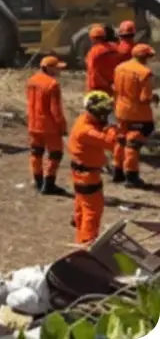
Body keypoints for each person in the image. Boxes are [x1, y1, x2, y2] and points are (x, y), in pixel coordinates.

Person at [69, 90, 119, 245]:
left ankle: (80, 233)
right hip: (87, 176)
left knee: (81, 206)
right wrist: (112, 125)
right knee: (92, 211)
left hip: (82, 171)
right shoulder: (87, 131)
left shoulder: (84, 120)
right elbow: (111, 143)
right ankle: (87, 243)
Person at [112, 43, 158, 187]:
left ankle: (117, 171)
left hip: (120, 110)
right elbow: (144, 98)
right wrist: (154, 98)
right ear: (145, 57)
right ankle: (131, 177)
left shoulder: (119, 67)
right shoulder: (144, 72)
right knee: (133, 143)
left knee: (120, 140)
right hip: (138, 114)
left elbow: (114, 88)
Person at [27, 55, 68, 195]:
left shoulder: (31, 81)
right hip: (49, 126)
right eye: (57, 68)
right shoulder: (52, 84)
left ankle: (38, 181)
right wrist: (62, 126)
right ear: (49, 69)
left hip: (33, 124)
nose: (59, 71)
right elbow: (55, 110)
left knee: (36, 152)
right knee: (55, 154)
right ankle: (48, 184)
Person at [84, 24, 118, 95]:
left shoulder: (93, 52)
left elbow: (92, 70)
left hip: (96, 87)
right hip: (111, 84)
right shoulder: (114, 47)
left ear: (92, 38)